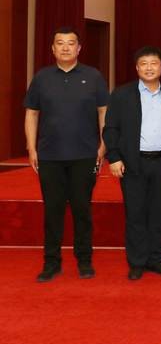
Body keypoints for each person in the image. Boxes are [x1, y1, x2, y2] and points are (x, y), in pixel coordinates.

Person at [24, 26, 109, 283]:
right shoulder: (42, 78)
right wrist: (31, 147)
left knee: (82, 210)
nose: (65, 47)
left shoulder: (93, 76)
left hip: (85, 154)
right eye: (60, 43)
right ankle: (51, 262)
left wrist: (103, 145)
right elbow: (32, 114)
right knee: (53, 211)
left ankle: (84, 260)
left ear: (79, 48)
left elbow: (103, 112)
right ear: (53, 48)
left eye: (70, 43)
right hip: (50, 155)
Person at [103, 46, 161, 280]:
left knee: (159, 213)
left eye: (154, 63)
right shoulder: (122, 94)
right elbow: (111, 128)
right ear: (137, 68)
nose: (149, 68)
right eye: (144, 64)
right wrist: (114, 157)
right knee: (135, 213)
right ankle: (137, 261)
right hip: (132, 162)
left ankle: (156, 259)